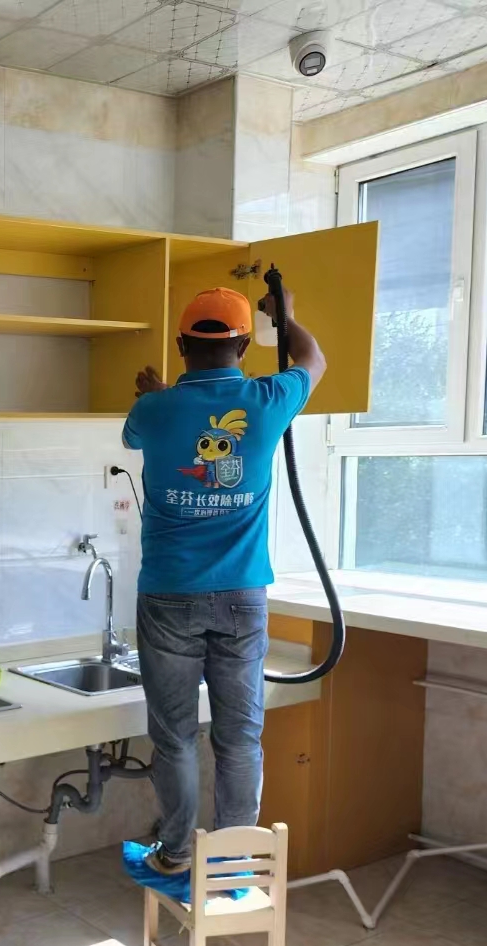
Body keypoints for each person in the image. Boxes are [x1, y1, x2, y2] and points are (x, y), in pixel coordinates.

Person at [124, 286, 326, 884]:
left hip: (168, 594)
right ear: (242, 348)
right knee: (240, 738)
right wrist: (286, 317)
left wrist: (160, 395)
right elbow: (314, 359)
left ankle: (176, 852)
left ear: (180, 345)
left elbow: (140, 435)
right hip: (242, 595)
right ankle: (234, 862)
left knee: (175, 737)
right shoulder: (268, 399)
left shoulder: (153, 410)